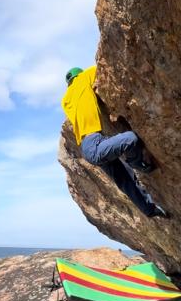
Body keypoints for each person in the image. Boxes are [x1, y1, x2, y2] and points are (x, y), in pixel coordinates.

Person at [61, 66, 169, 218]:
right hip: (94, 145)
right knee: (130, 139)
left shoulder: (66, 100)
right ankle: (137, 164)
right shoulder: (83, 78)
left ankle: (150, 210)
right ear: (79, 76)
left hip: (88, 146)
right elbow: (103, 66)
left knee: (125, 181)